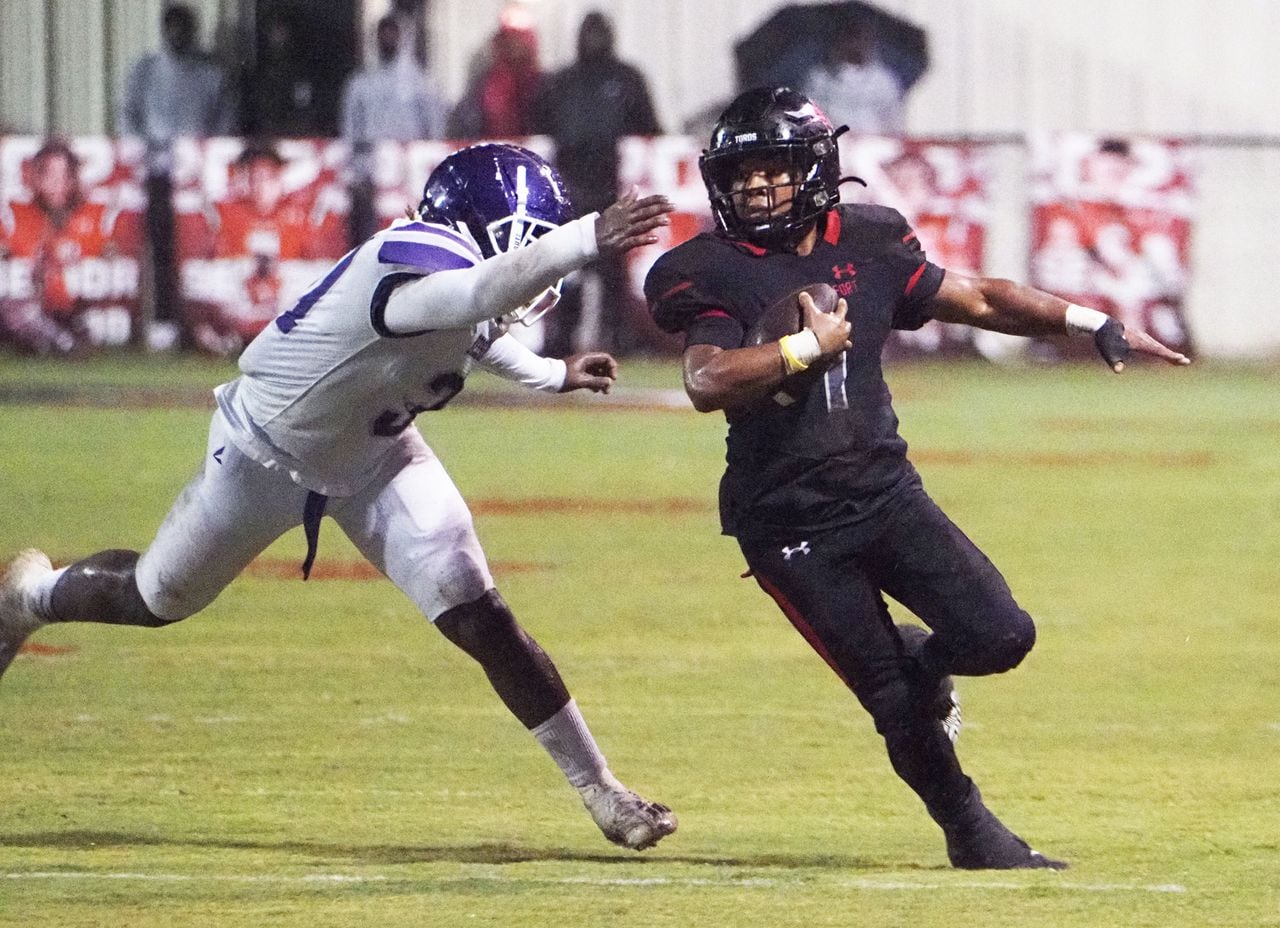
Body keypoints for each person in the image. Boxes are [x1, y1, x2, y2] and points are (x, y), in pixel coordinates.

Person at [0, 143, 679, 853]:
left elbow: (475, 329)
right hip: (264, 453)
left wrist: (549, 373)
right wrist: (587, 239)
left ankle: (604, 791)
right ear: (484, 222)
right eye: (531, 237)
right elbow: (473, 299)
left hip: (376, 456)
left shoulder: (460, 274)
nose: (539, 257)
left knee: (483, 615)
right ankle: (31, 596)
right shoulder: (411, 255)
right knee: (154, 598)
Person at [644, 87, 1189, 870]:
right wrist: (801, 351)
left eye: (773, 171)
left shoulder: (869, 240)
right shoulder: (709, 269)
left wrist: (1090, 321)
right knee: (892, 702)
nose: (756, 189)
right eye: (743, 175)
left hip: (884, 494)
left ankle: (926, 657)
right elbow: (706, 380)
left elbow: (978, 297)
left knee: (1002, 635)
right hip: (787, 522)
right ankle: (970, 831)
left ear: (816, 171)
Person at [531, 11, 662, 356]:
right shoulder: (561, 82)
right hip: (568, 189)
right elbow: (536, 125)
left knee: (611, 273)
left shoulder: (626, 79)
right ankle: (560, 339)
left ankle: (614, 341)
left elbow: (650, 128)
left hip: (610, 189)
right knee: (564, 269)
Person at [803, 19, 905, 135]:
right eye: (849, 39)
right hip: (835, 142)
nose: (855, 44)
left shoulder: (883, 80)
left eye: (860, 39)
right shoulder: (820, 78)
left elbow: (893, 121)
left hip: (872, 143)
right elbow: (809, 116)